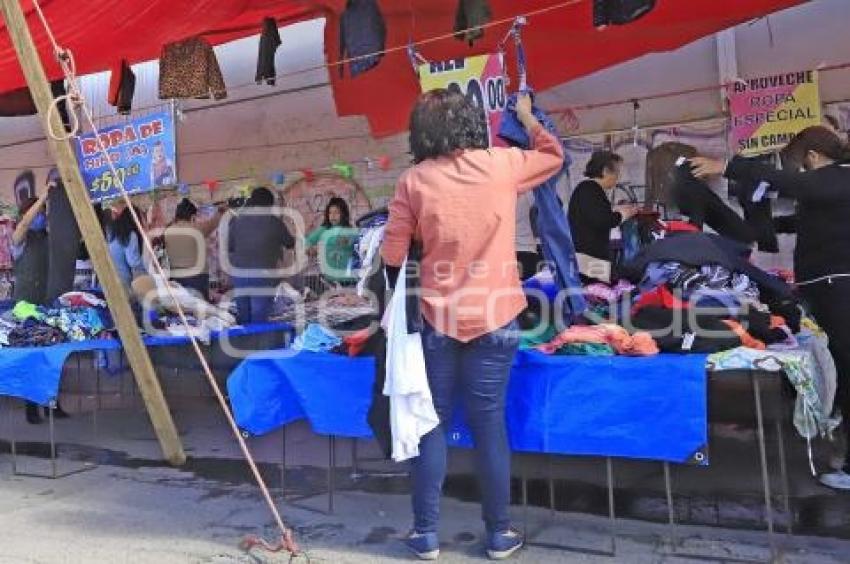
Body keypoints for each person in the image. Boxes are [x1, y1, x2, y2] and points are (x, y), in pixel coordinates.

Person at [380, 89, 564, 560]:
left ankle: (425, 534)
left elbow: (392, 256)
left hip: (438, 320)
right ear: (472, 123)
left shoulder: (414, 180)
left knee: (431, 423)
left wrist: (423, 235)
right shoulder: (502, 164)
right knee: (489, 424)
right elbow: (553, 156)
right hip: (498, 316)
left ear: (421, 132)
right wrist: (526, 117)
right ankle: (499, 534)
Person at [691, 126, 850, 491]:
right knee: (841, 363)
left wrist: (727, 166)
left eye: (797, 164)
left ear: (811, 156)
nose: (796, 172)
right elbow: (807, 218)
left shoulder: (836, 177)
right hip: (827, 288)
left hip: (837, 288)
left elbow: (791, 184)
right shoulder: (830, 189)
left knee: (848, 364)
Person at [227, 187, 295, 324]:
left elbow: (230, 247)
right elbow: (290, 243)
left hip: (240, 276)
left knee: (244, 317)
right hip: (264, 277)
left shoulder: (236, 221)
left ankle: (245, 343)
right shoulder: (274, 221)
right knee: (260, 318)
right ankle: (258, 343)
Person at [568, 151, 638, 283]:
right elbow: (602, 220)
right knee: (600, 294)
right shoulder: (590, 189)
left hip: (588, 259)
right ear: (605, 171)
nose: (618, 177)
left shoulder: (587, 190)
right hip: (591, 260)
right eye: (617, 172)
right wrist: (623, 214)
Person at [163, 198, 226, 300]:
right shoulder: (196, 229)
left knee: (184, 308)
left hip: (176, 278)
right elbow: (213, 223)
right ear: (192, 217)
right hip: (196, 279)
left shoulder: (167, 231)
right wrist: (220, 211)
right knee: (199, 309)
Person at [106, 206, 145, 293]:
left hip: (105, 278)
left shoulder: (110, 231)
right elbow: (133, 261)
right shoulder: (130, 235)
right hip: (123, 281)